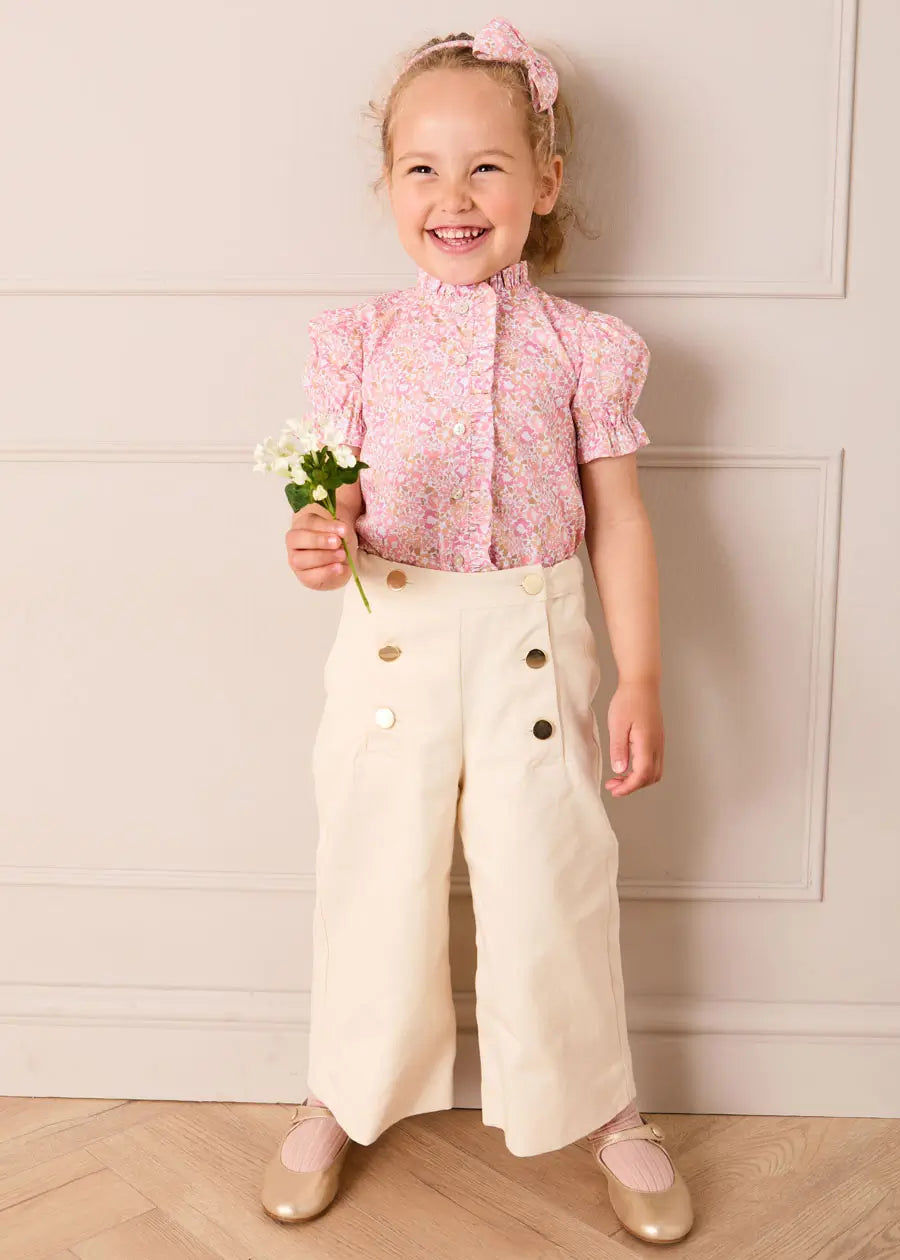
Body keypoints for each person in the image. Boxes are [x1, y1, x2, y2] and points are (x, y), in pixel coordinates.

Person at [260, 16, 694, 1245]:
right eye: (423, 169)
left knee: (553, 877)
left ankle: (603, 1102)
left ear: (544, 182)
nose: (454, 198)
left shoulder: (587, 350)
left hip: (533, 648)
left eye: (486, 167)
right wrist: (318, 539)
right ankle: (341, 1089)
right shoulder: (356, 342)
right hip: (392, 639)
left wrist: (642, 674)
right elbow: (335, 498)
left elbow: (619, 521)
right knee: (373, 871)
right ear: (388, 185)